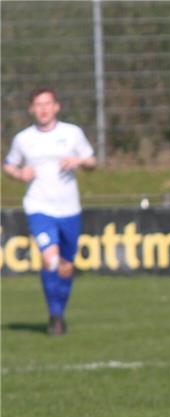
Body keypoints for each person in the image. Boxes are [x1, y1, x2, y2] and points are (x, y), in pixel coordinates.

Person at [3, 88, 97, 336]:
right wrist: (19, 173)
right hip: (39, 206)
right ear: (31, 109)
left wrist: (79, 161)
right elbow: (9, 165)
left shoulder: (72, 133)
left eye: (47, 104)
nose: (43, 109)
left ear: (56, 106)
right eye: (38, 104)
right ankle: (54, 316)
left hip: (69, 208)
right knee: (49, 258)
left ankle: (58, 314)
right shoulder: (24, 139)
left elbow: (92, 161)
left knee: (65, 266)